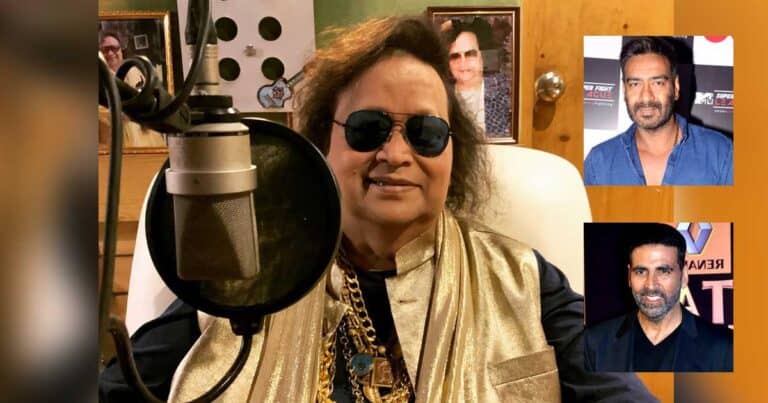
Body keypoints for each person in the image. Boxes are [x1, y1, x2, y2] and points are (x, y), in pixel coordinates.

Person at [100, 17, 656, 402]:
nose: (395, 154)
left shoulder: (524, 279)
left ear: (453, 152)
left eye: (425, 132)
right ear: (323, 145)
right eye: (368, 128)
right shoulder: (251, 272)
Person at [583, 37, 733, 185]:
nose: (646, 97)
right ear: (624, 90)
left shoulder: (721, 154)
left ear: (675, 87)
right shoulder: (599, 163)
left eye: (657, 83)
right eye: (635, 84)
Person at [584, 223, 733, 372]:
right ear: (629, 276)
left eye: (663, 271)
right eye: (641, 272)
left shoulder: (724, 348)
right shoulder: (594, 344)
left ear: (684, 276)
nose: (650, 285)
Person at [442, 18, 511, 138]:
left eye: (470, 54)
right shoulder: (442, 95)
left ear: (482, 56)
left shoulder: (505, 89)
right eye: (455, 56)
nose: (463, 62)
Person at [98, 31, 165, 148]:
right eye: (105, 49)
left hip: (147, 145)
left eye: (114, 48)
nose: (110, 53)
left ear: (121, 50)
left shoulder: (136, 72)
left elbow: (154, 100)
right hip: (112, 146)